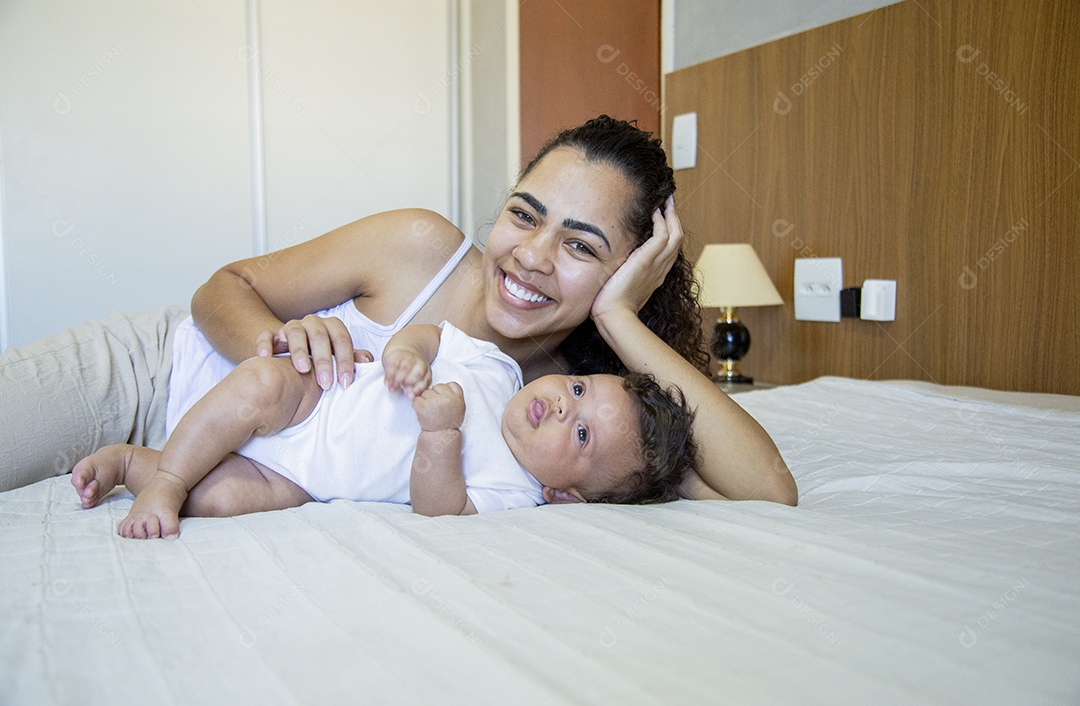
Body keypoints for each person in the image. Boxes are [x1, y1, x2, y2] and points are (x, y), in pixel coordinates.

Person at [0, 115, 797, 506]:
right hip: (143, 379)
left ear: (628, 272)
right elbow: (222, 287)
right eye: (525, 215)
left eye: (581, 247)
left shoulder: (576, 411)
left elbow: (768, 493)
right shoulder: (423, 247)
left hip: (216, 474)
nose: (530, 255)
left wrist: (625, 322)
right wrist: (278, 349)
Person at [72, 321, 697, 539]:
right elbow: (432, 334)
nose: (564, 405)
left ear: (569, 496)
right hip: (317, 401)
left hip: (309, 479)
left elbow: (438, 509)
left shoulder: (519, 495)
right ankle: (167, 481)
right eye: (580, 389)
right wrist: (407, 351)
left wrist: (442, 435)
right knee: (259, 384)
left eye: (583, 435)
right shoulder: (499, 369)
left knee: (222, 500)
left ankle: (134, 464)